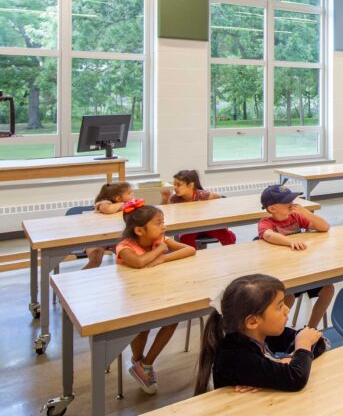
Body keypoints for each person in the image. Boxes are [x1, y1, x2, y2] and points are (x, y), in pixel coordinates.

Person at [194, 274, 327, 395]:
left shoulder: (261, 333)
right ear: (252, 321)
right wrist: (301, 350)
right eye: (280, 306)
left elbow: (318, 341)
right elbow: (296, 378)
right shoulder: (235, 357)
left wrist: (291, 359)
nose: (287, 310)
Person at [115, 202, 197, 394]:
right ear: (139, 230)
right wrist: (160, 250)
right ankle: (138, 359)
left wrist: (163, 258)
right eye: (158, 224)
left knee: (174, 319)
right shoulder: (125, 246)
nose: (164, 227)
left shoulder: (159, 240)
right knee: (142, 329)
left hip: (159, 291)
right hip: (135, 297)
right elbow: (139, 262)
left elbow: (189, 250)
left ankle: (147, 363)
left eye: (163, 223)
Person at [257, 184, 334, 329]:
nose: (292, 204)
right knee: (288, 296)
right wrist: (289, 242)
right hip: (282, 273)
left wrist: (307, 213)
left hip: (302, 269)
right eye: (287, 202)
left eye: (292, 200)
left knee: (328, 289)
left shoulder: (296, 217)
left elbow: (325, 227)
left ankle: (311, 328)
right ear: (272, 208)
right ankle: (278, 332)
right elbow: (268, 235)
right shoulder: (266, 222)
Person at [160, 169, 237, 248]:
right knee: (185, 239)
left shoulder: (202, 195)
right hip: (190, 227)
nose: (175, 188)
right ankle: (193, 256)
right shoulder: (175, 198)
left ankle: (233, 248)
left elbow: (220, 198)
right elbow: (166, 211)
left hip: (208, 225)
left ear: (191, 185)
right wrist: (165, 199)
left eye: (179, 185)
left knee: (225, 235)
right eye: (174, 184)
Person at [82, 181, 134, 269]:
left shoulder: (126, 205)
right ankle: (80, 280)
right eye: (129, 193)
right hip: (96, 238)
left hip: (115, 236)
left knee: (128, 257)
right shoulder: (103, 203)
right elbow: (108, 209)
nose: (132, 194)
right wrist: (122, 205)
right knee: (95, 260)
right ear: (118, 198)